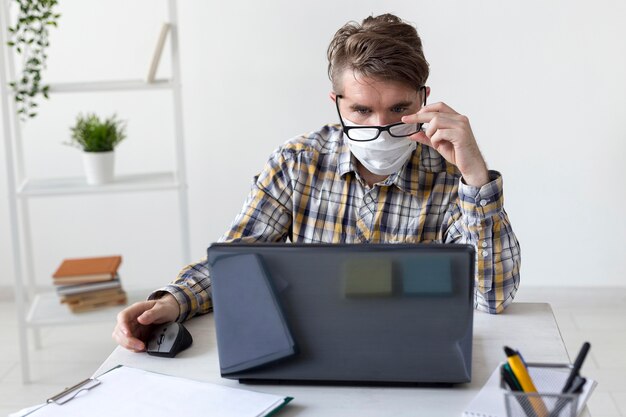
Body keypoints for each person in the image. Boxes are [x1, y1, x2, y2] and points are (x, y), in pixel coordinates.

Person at [113, 13, 520, 352]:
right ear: (337, 103)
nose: (381, 128)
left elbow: (492, 297)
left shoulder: (452, 176)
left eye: (399, 109)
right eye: (361, 110)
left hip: (415, 344)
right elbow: (237, 260)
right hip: (313, 343)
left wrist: (475, 176)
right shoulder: (297, 163)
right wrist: (168, 303)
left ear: (424, 99)